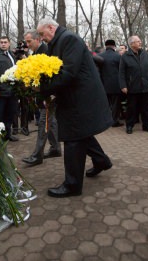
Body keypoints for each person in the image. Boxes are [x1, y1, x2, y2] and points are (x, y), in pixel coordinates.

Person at [36, 17, 113, 198]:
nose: (42, 38)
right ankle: (101, 161)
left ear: (50, 27)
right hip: (74, 97)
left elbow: (68, 72)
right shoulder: (57, 42)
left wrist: (43, 88)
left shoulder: (68, 39)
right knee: (81, 133)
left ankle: (72, 185)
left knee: (72, 138)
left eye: (42, 34)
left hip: (80, 98)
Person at [21, 29, 61, 166]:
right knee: (51, 121)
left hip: (49, 94)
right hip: (44, 93)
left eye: (29, 41)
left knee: (44, 122)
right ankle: (55, 148)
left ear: (37, 39)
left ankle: (37, 155)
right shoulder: (36, 52)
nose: (27, 44)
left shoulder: (45, 51)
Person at [119, 35, 148, 134]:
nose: (140, 43)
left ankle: (147, 125)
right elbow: (121, 73)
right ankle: (129, 126)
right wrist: (123, 86)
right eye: (138, 41)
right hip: (132, 87)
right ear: (132, 44)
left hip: (145, 86)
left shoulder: (145, 54)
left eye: (140, 41)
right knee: (131, 108)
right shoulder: (125, 56)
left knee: (146, 108)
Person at [0, 36, 18, 141]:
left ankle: (7, 134)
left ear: (9, 43)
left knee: (10, 114)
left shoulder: (11, 55)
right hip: (0, 91)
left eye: (5, 42)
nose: (3, 44)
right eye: (1, 42)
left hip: (12, 91)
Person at [99, 39, 123, 127]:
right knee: (116, 104)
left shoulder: (100, 56)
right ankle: (115, 121)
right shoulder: (118, 56)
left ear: (106, 46)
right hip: (116, 84)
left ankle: (106, 120)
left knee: (106, 104)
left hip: (103, 84)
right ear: (114, 46)